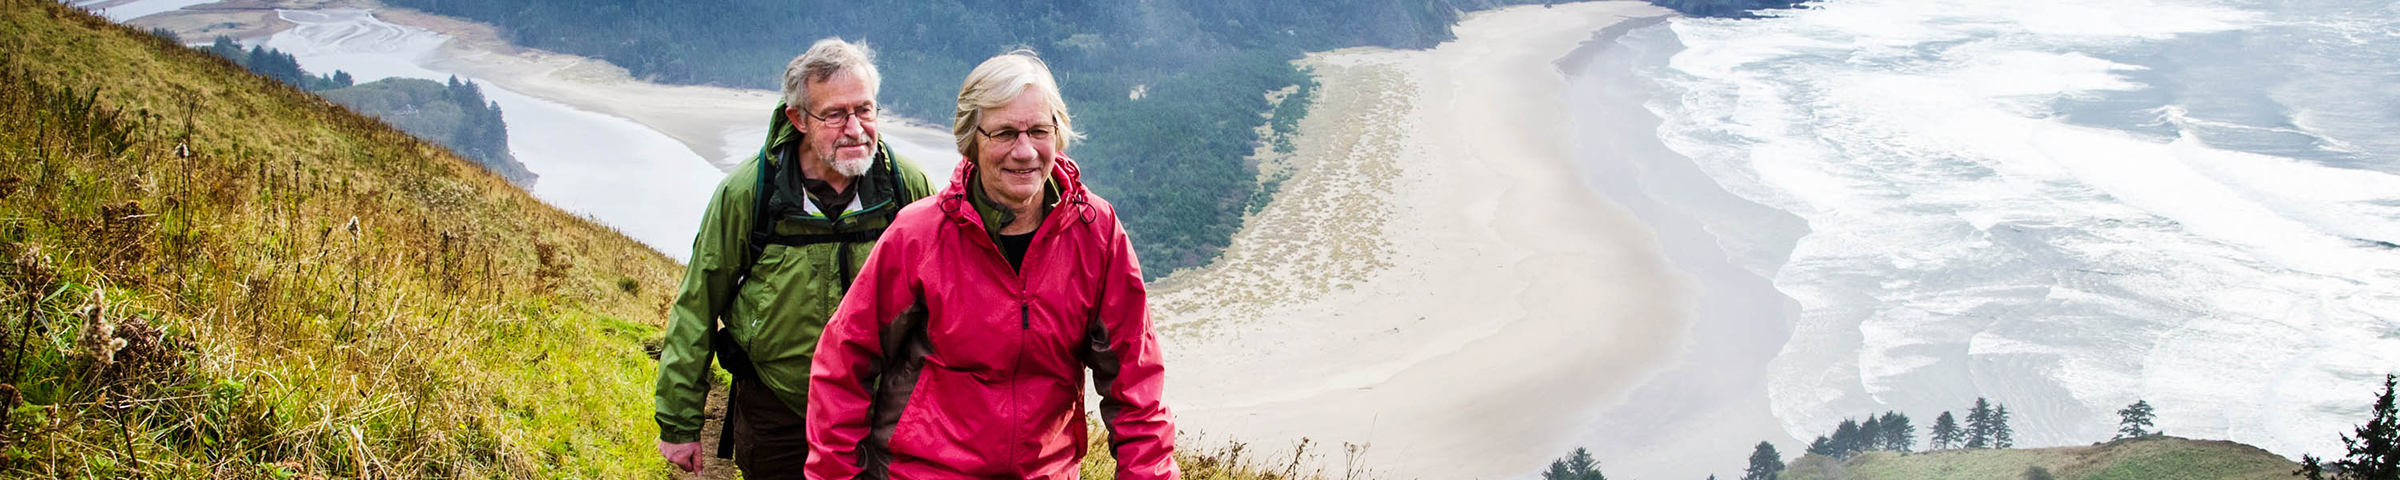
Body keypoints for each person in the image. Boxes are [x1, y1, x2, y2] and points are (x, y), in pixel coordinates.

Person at [806, 50, 1178, 480]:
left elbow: (1136, 385)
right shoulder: (919, 236)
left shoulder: (1096, 233)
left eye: (1039, 130)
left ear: (1058, 134)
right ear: (971, 140)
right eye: (1003, 133)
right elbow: (842, 363)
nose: (1024, 152)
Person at [652, 38, 934, 478]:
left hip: (878, 406)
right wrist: (679, 422)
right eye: (835, 114)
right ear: (798, 118)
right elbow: (698, 303)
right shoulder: (750, 192)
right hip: (777, 405)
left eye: (864, 109)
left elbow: (942, 300)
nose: (856, 129)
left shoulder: (905, 187)